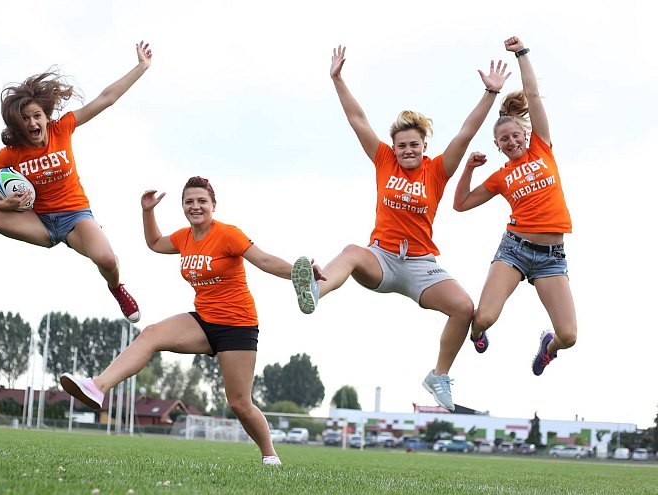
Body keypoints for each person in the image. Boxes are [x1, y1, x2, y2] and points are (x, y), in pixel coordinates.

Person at [291, 46, 510, 411]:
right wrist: (337, 79)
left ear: (425, 147)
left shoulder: (437, 170)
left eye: (414, 145)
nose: (407, 150)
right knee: (350, 252)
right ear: (393, 148)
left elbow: (466, 132)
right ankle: (315, 288)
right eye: (401, 145)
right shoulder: (383, 160)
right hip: (382, 258)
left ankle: (439, 376)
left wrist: (490, 93)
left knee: (464, 307)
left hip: (421, 264)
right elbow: (358, 119)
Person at [61, 176, 320, 465]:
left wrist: (301, 272)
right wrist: (148, 211)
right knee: (151, 334)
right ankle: (98, 387)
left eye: (201, 201)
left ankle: (270, 455)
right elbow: (156, 243)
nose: (195, 206)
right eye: (189, 201)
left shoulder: (229, 234)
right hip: (203, 319)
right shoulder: (184, 237)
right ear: (183, 206)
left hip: (237, 325)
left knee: (239, 403)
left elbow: (265, 261)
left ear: (213, 205)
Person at [0, 41, 153, 323]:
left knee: (106, 259)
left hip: (76, 217)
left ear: (47, 117)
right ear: (17, 125)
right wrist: (0, 202)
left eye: (36, 116)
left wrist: (141, 67)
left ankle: (117, 289)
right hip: (38, 221)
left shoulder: (63, 128)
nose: (32, 123)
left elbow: (106, 98)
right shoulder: (12, 152)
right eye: (25, 119)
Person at [452, 36, 575, 376]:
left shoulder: (542, 148)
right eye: (503, 139)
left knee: (569, 336)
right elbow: (460, 204)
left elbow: (533, 96)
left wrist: (521, 53)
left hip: (551, 258)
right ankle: (477, 335)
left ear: (524, 134)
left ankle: (547, 348)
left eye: (515, 135)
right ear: (497, 145)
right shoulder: (501, 176)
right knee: (484, 318)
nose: (511, 141)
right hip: (514, 251)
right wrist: (468, 169)